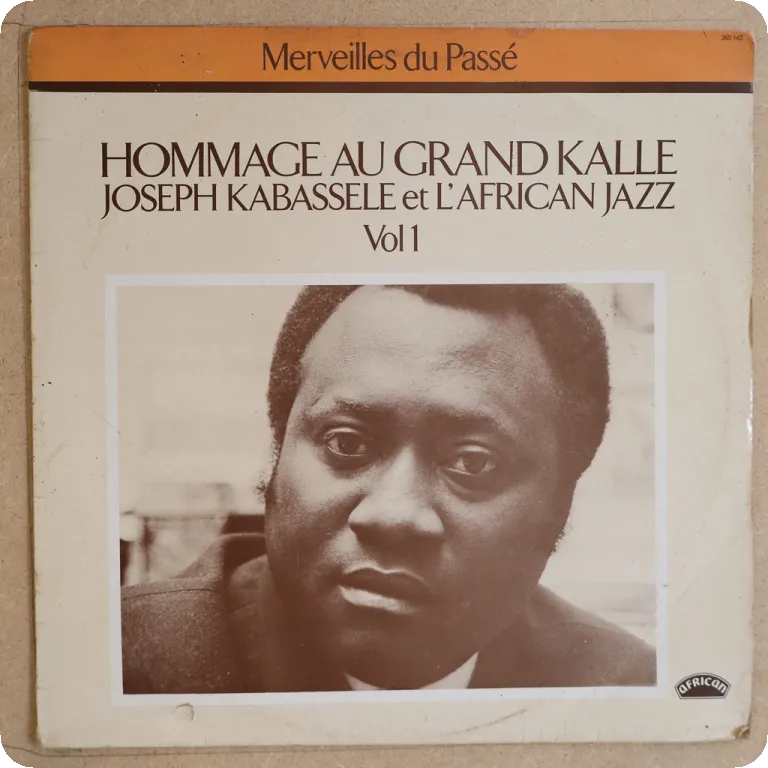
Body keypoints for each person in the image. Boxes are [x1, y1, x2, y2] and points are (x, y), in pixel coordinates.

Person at [121, 283, 656, 694]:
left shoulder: (623, 695)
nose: (393, 514)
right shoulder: (121, 666)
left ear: (560, 505)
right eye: (346, 443)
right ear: (277, 455)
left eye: (472, 462)